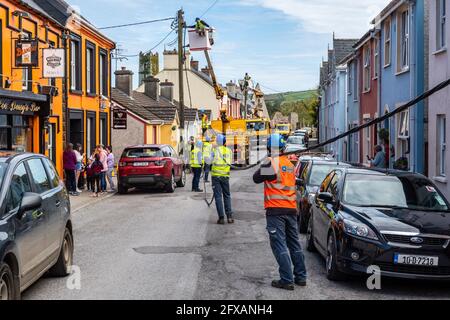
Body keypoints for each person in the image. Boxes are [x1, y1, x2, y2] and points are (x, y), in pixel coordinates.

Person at [253, 134, 307, 291]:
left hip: (275, 210)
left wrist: (266, 161)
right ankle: (301, 277)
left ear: (270, 148)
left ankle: (286, 279)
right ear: (283, 147)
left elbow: (256, 178)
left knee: (279, 245)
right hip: (291, 209)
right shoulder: (289, 164)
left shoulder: (271, 163)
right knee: (294, 244)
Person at [211, 134, 233, 225]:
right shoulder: (229, 151)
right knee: (227, 196)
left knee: (218, 197)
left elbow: (209, 161)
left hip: (216, 177)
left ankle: (221, 218)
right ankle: (229, 217)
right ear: (224, 142)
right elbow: (230, 162)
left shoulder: (214, 151)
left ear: (217, 141)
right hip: (225, 177)